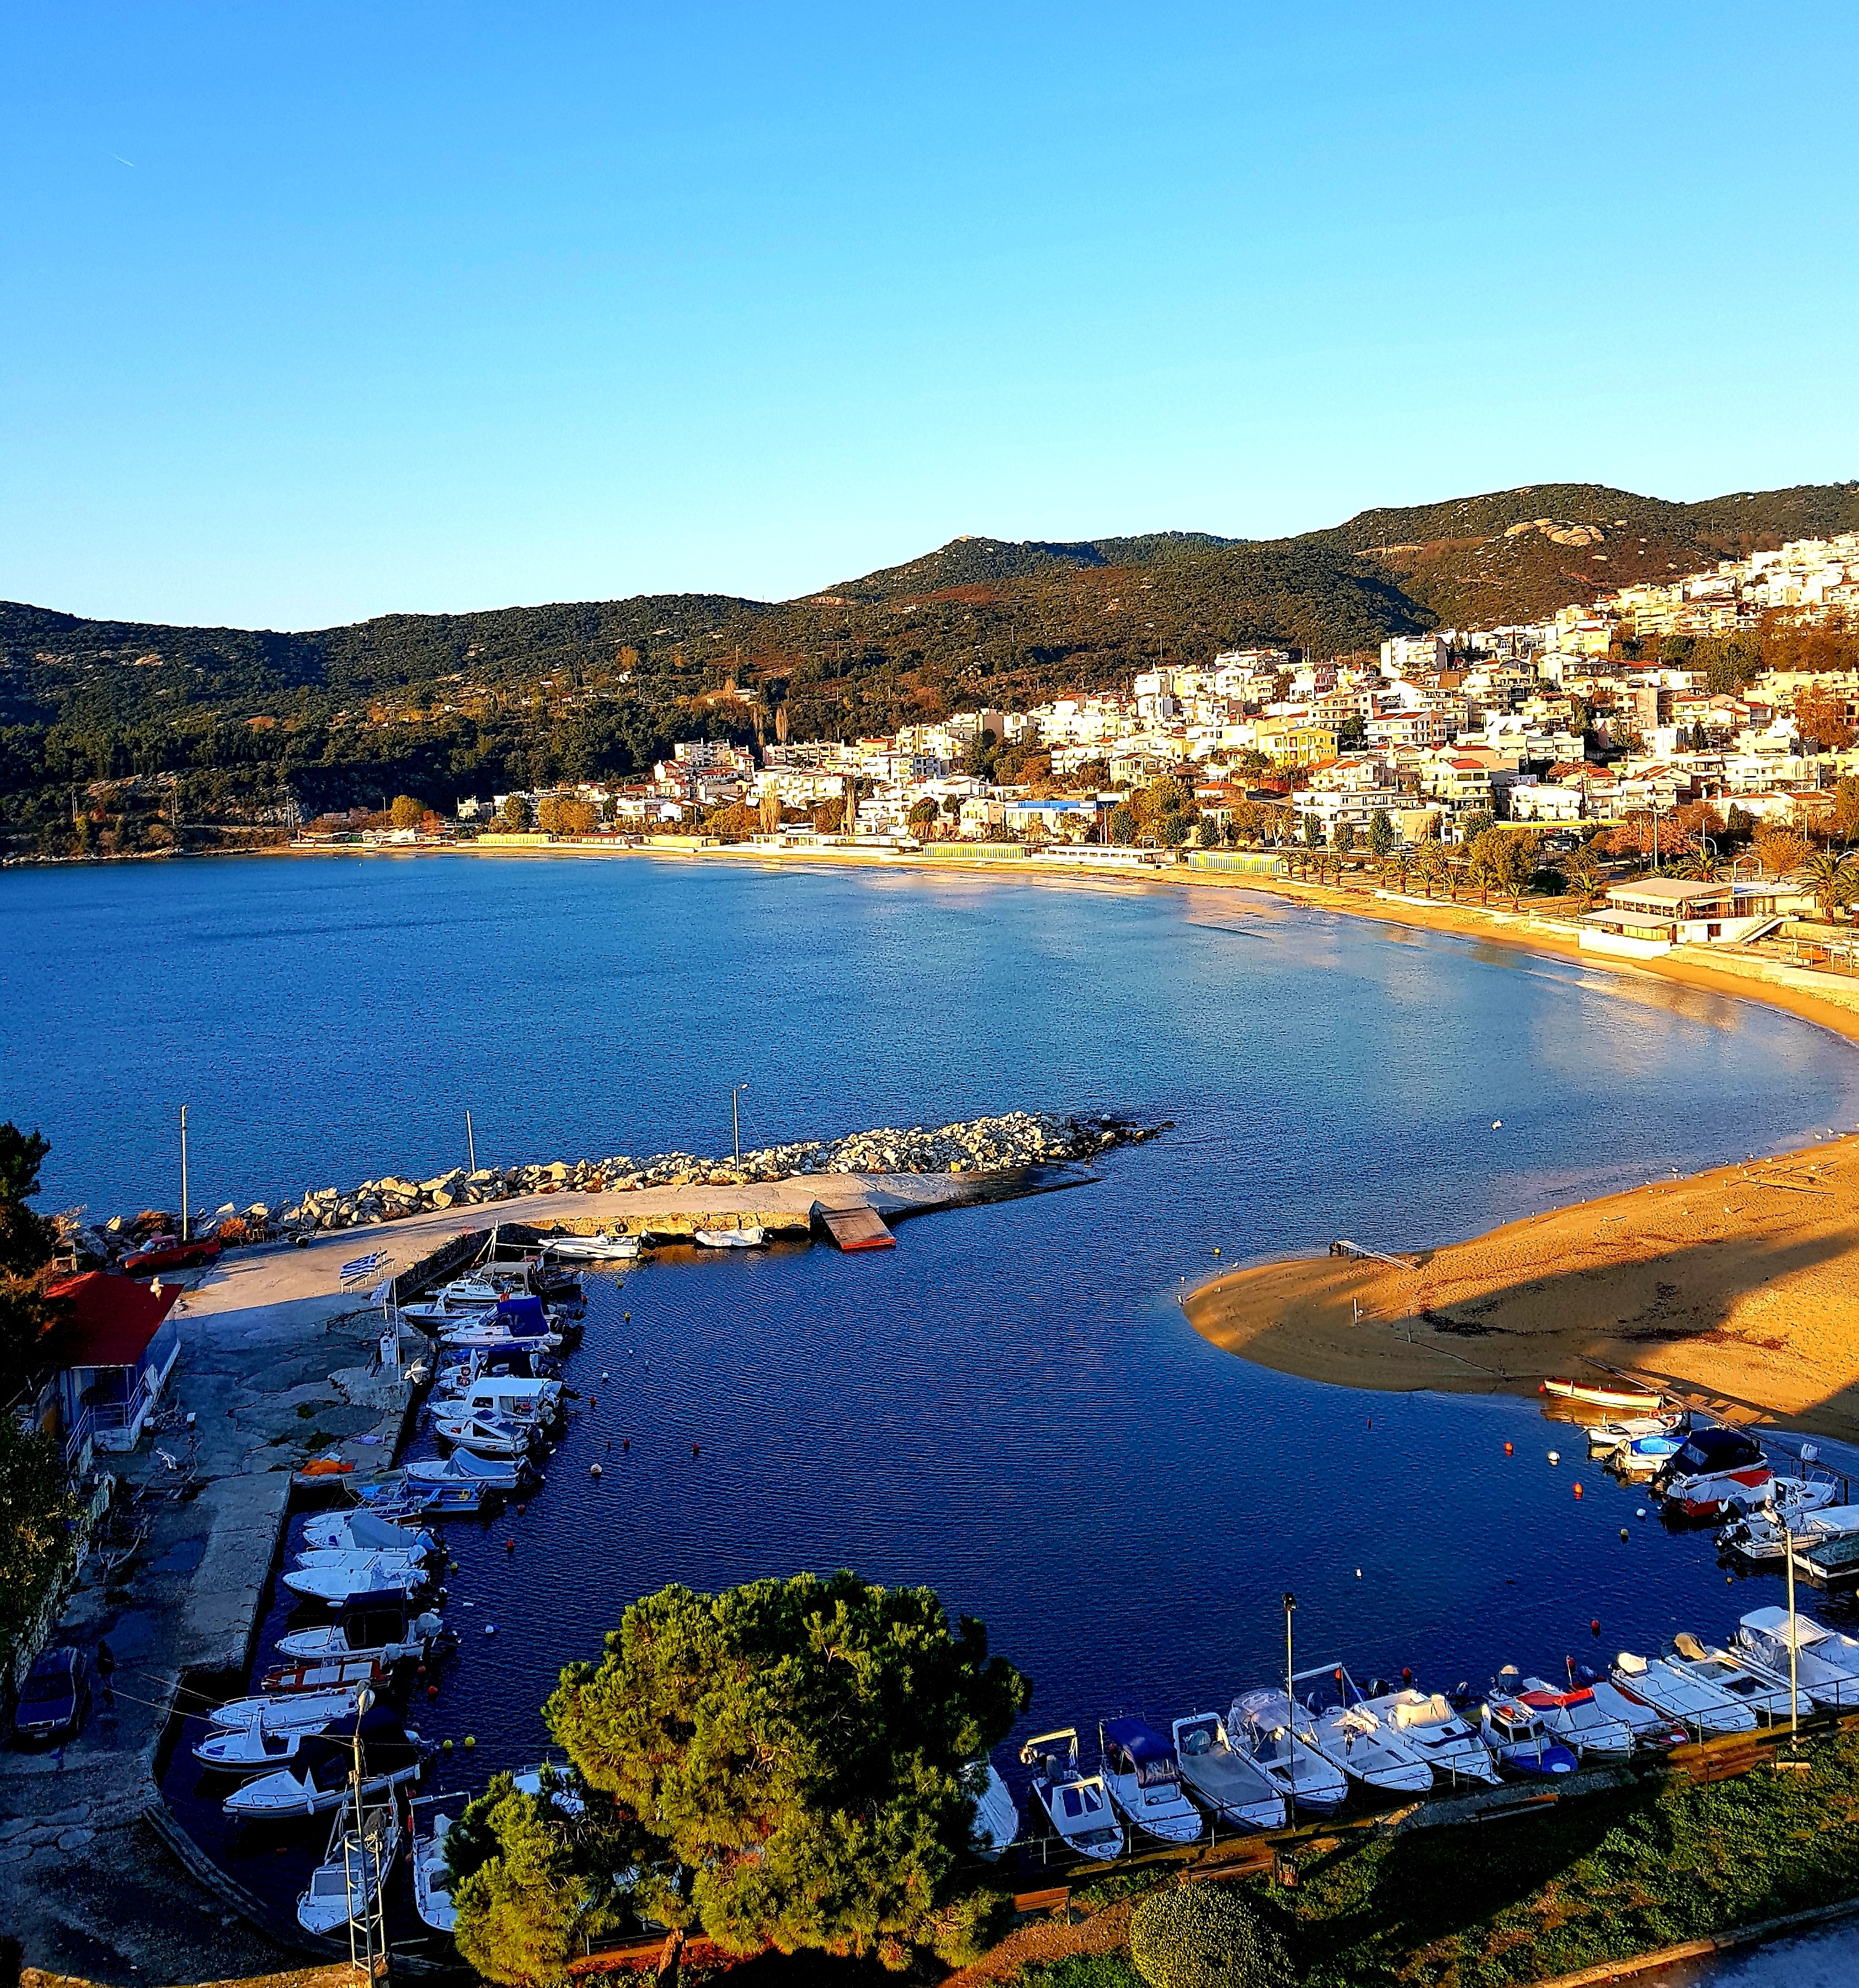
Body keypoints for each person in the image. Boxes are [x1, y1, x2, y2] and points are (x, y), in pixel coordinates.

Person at [95, 1639, 116, 1711]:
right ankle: (110, 1691)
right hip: (108, 1670)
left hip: (106, 1671)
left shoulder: (102, 1654)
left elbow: (101, 1664)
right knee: (108, 1680)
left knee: (108, 1681)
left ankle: (111, 1692)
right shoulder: (108, 1650)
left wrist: (100, 1671)